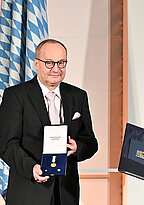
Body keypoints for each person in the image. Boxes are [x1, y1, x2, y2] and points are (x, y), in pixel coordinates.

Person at [0, 39, 98, 204]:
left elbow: (90, 142)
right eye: (49, 63)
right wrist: (32, 168)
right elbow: (6, 145)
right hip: (28, 192)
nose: (56, 69)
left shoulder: (78, 96)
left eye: (61, 63)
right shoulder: (16, 96)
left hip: (66, 194)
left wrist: (77, 147)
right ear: (36, 64)